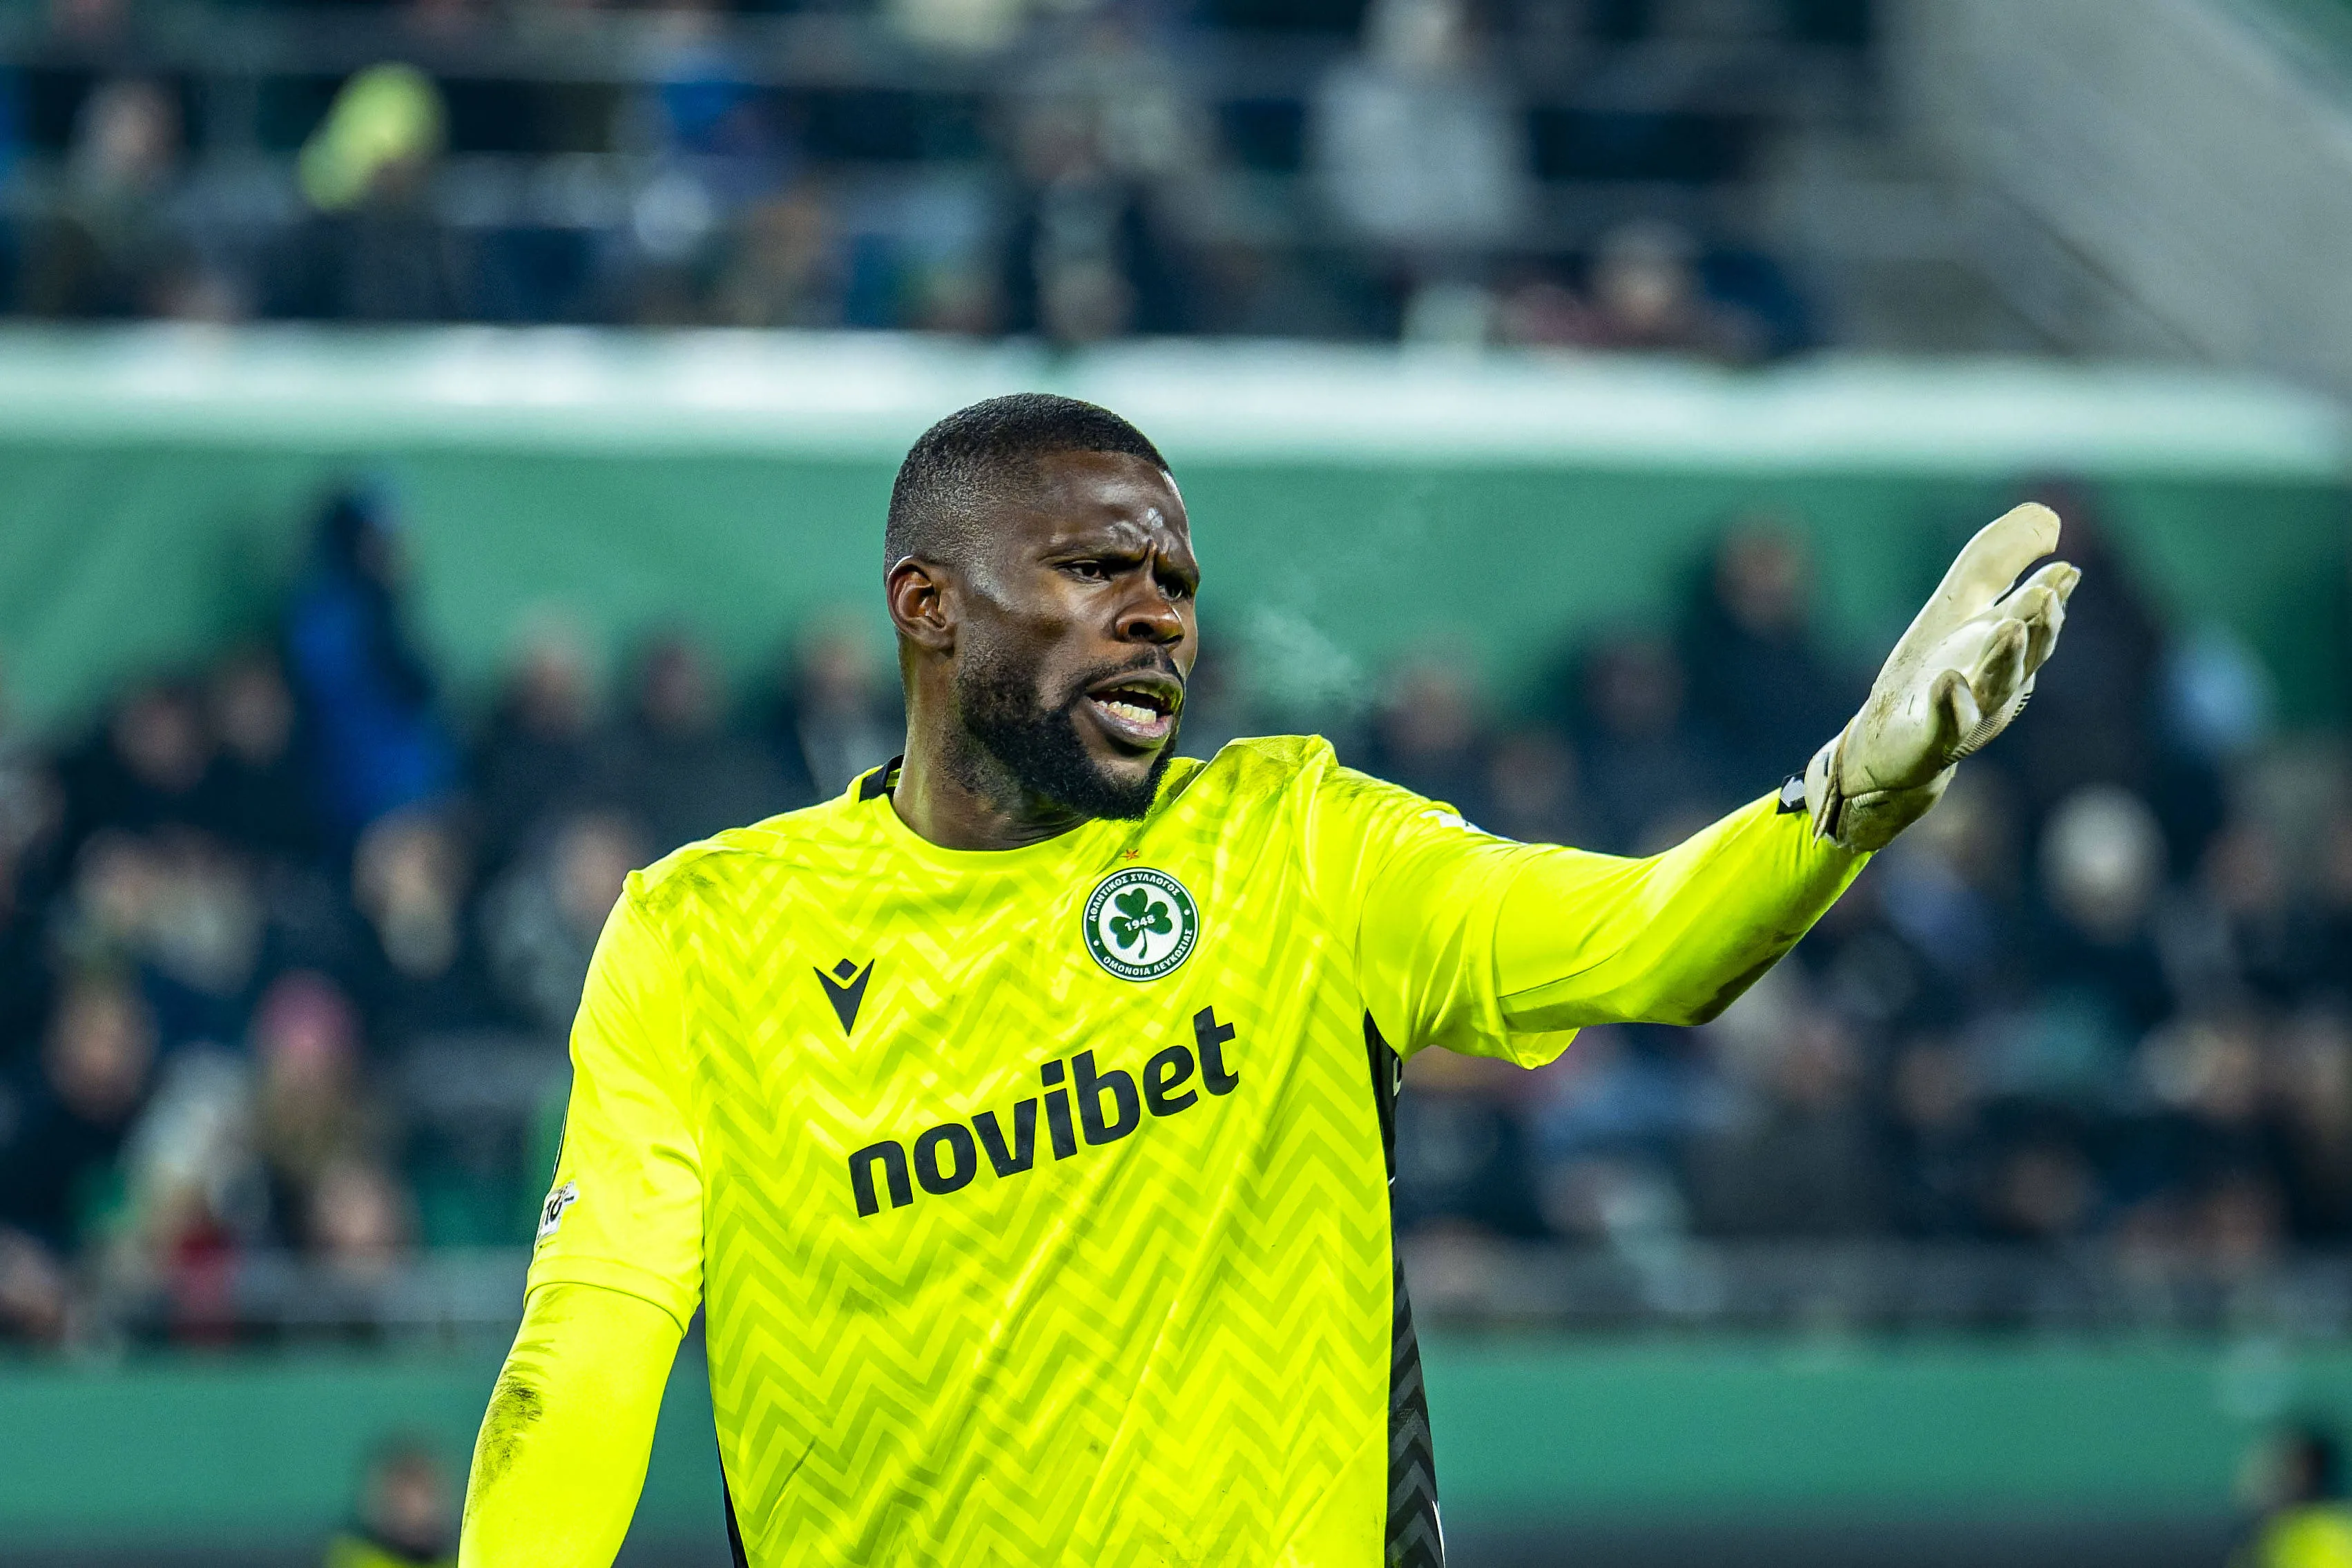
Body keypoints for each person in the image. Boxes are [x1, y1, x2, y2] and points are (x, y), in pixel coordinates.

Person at [456, 394, 2076, 1567]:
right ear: (928, 607)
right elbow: (586, 1349)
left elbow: (1649, 943)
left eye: (1172, 582)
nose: (1156, 612)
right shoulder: (704, 930)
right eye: (1098, 570)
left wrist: (1848, 795)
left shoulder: (1297, 845)